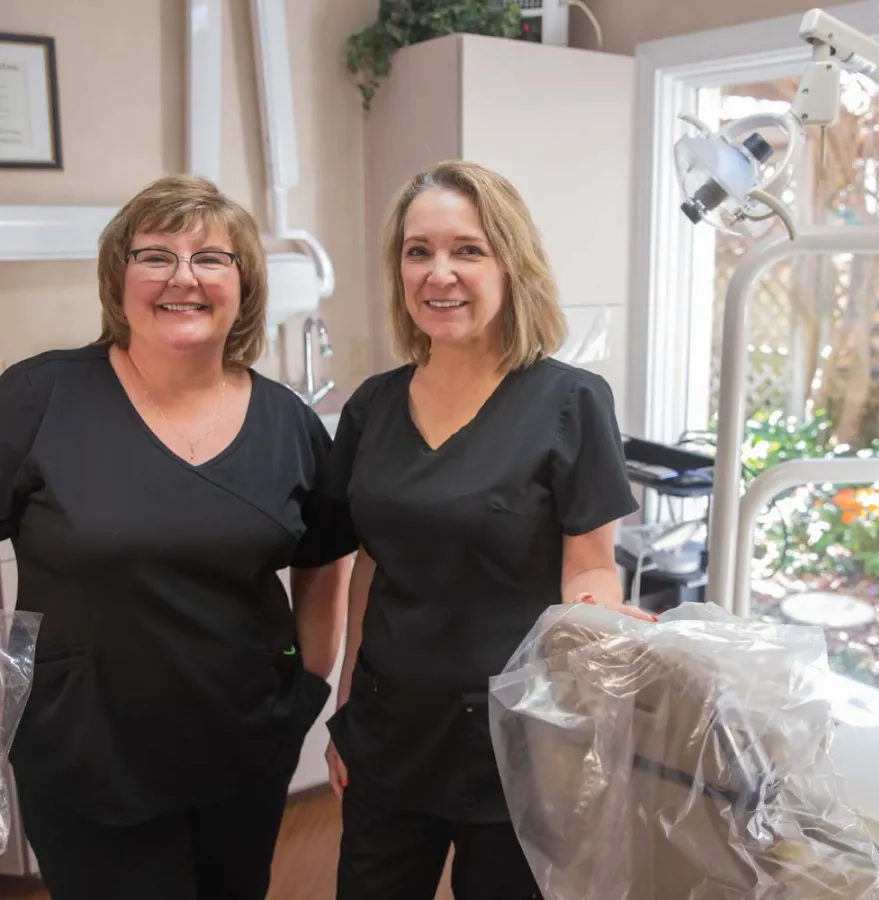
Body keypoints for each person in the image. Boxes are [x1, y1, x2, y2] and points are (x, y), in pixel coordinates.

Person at [0, 174, 356, 900]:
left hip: (243, 750)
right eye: (155, 256)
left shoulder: (287, 421)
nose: (182, 278)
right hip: (86, 756)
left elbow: (325, 561)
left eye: (210, 259)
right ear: (119, 277)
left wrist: (306, 694)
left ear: (243, 283)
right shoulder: (41, 397)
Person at [323, 160, 654, 900]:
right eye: (419, 251)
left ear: (511, 263)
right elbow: (368, 565)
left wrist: (603, 625)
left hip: (518, 739)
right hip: (391, 729)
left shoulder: (569, 400)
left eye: (466, 249)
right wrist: (347, 701)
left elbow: (591, 567)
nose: (439, 273)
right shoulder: (373, 408)